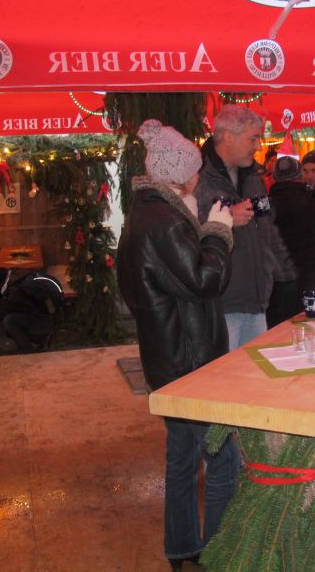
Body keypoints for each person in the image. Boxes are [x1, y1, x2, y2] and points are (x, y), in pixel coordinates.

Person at [116, 119, 237, 572]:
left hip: (167, 360)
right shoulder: (164, 223)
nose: (199, 176)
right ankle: (221, 553)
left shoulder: (142, 216)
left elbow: (155, 287)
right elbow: (205, 280)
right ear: (180, 173)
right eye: (195, 168)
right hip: (192, 364)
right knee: (223, 459)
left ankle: (182, 548)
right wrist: (218, 233)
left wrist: (200, 231)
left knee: (183, 459)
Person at [194, 105, 280, 349]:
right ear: (228, 136)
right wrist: (227, 219)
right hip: (221, 305)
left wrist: (274, 273)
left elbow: (266, 225)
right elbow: (183, 232)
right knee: (223, 372)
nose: (259, 146)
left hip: (257, 300)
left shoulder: (253, 176)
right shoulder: (197, 177)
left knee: (256, 369)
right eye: (253, 138)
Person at [266, 156, 315, 326]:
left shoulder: (265, 205)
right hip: (311, 280)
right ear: (300, 176)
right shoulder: (314, 203)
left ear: (274, 177)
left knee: (279, 334)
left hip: (277, 283)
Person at [0, 267, 61, 352]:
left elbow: (0, 314)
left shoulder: (13, 290)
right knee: (10, 324)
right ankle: (41, 340)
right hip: (42, 316)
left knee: (9, 321)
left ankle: (29, 350)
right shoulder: (12, 280)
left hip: (45, 320)